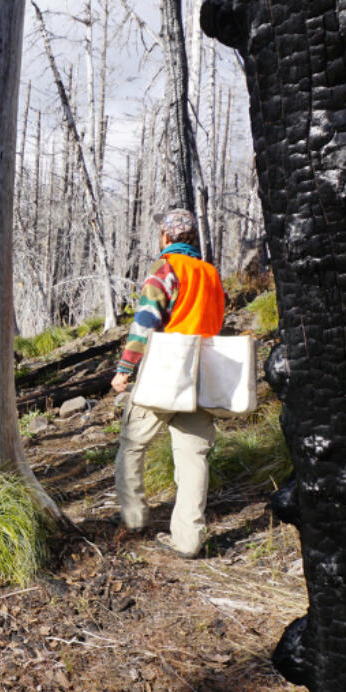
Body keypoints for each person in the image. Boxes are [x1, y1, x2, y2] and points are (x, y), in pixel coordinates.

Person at [111, 209, 225, 558]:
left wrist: (124, 369)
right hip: (202, 372)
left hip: (164, 371)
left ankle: (134, 520)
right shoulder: (210, 273)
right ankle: (188, 539)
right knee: (193, 456)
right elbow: (218, 320)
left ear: (165, 238)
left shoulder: (165, 270)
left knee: (132, 446)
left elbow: (145, 322)